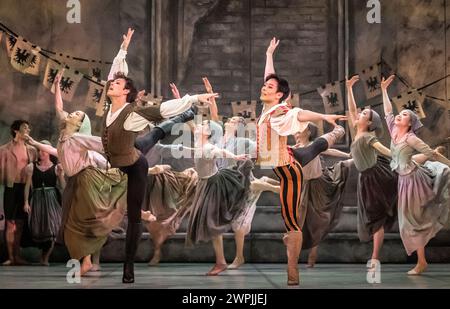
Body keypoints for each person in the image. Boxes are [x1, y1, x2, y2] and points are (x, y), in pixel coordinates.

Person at [103, 28, 219, 283]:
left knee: (134, 215)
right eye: (112, 84)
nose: (112, 84)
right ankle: (183, 118)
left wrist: (195, 98)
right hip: (123, 155)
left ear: (125, 93)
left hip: (135, 164)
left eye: (118, 85)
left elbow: (162, 108)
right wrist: (123, 49)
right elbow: (115, 73)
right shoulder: (109, 105)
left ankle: (128, 267)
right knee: (152, 136)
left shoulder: (131, 113)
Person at [258, 37, 347, 285]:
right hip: (287, 155)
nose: (264, 88)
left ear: (279, 96)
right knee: (311, 149)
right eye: (265, 86)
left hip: (290, 169)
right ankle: (329, 138)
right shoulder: (269, 107)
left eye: (269, 88)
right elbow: (270, 79)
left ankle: (292, 270)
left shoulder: (282, 111)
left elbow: (300, 113)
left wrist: (324, 115)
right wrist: (268, 55)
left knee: (291, 221)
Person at [382, 75, 450, 275]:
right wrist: (384, 89)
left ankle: (421, 262)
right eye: (400, 114)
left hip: (414, 182)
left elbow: (431, 154)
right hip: (403, 179)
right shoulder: (394, 131)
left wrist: (446, 162)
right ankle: (421, 261)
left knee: (413, 222)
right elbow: (387, 111)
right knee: (407, 223)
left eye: (403, 115)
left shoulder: (411, 138)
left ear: (409, 123)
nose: (398, 115)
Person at [346, 75, 399, 270]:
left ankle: (375, 258)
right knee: (373, 217)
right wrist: (349, 88)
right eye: (361, 113)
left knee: (377, 218)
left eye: (364, 114)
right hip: (365, 178)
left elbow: (385, 151)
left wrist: (399, 153)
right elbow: (352, 110)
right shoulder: (357, 130)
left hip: (376, 177)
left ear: (369, 123)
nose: (359, 114)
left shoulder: (368, 136)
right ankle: (375, 256)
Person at [290, 122, 351, 268]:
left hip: (318, 184)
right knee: (298, 220)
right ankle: (294, 257)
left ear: (309, 132)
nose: (297, 133)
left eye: (300, 130)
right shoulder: (293, 149)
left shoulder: (314, 146)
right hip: (302, 186)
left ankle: (312, 255)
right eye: (295, 131)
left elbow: (330, 151)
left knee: (315, 221)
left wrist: (346, 154)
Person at [0, 120, 37, 265]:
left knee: (20, 223)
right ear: (16, 130)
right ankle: (10, 257)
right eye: (24, 127)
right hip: (11, 187)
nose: (28, 129)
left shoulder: (31, 150)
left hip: (25, 188)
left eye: (28, 127)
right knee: (10, 223)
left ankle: (17, 255)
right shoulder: (4, 149)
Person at [23, 140, 65, 265]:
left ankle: (45, 258)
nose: (41, 153)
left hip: (52, 199)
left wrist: (61, 174)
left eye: (44, 150)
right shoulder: (31, 167)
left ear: (49, 152)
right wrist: (26, 202)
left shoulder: (56, 167)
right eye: (39, 150)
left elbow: (63, 186)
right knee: (39, 228)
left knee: (53, 228)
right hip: (37, 199)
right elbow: (27, 187)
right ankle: (42, 257)